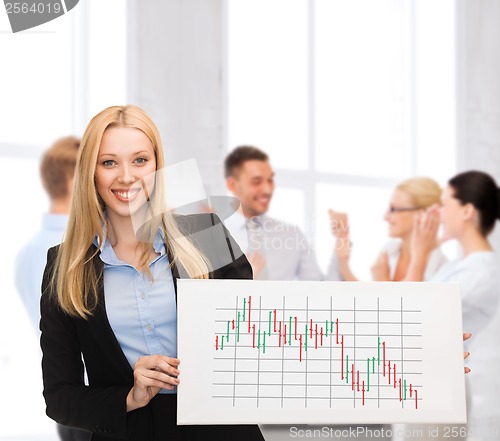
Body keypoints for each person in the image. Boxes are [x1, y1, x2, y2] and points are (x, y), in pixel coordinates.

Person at [39, 105, 265, 441]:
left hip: (222, 430)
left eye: (140, 160)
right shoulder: (65, 267)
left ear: (157, 167)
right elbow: (60, 398)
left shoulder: (208, 235)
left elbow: (256, 341)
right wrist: (129, 397)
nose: (126, 176)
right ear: (91, 172)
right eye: (109, 162)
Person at [404, 170, 500, 441]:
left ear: (467, 210)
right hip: (430, 386)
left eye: (445, 204)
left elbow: (406, 315)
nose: (439, 212)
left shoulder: (480, 274)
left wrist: (419, 255)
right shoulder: (461, 267)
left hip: (442, 389)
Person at [14, 135, 91, 441]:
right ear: (75, 180)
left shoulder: (27, 252)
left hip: (74, 403)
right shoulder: (69, 252)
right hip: (91, 402)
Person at [223, 145, 340, 281]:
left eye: (270, 180)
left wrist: (340, 252)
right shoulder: (213, 236)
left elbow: (319, 289)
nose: (267, 189)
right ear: (232, 185)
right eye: (257, 182)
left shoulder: (291, 235)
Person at [328, 176, 448, 281]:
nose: (385, 217)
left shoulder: (442, 270)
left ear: (423, 214)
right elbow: (368, 299)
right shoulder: (390, 250)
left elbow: (407, 304)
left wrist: (383, 284)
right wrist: (343, 261)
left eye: (393, 209)